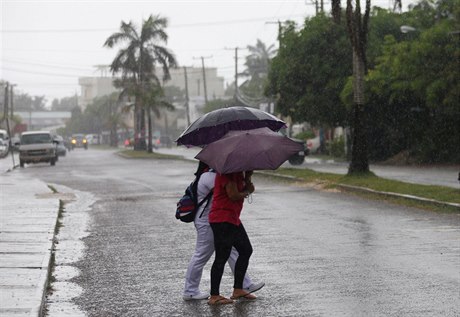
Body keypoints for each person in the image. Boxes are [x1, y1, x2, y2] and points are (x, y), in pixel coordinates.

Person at [183, 162, 264, 301]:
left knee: (238, 250)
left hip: (229, 218)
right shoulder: (212, 176)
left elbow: (243, 189)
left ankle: (242, 286)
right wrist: (245, 189)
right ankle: (193, 291)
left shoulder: (231, 173)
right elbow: (233, 194)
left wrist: (247, 176)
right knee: (206, 254)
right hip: (214, 219)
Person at [207, 170, 257, 305]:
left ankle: (238, 289)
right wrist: (246, 192)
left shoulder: (238, 173)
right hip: (222, 219)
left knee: (246, 250)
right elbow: (233, 195)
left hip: (233, 218)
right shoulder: (226, 173)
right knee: (222, 256)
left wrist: (248, 176)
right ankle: (214, 295)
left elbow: (248, 189)